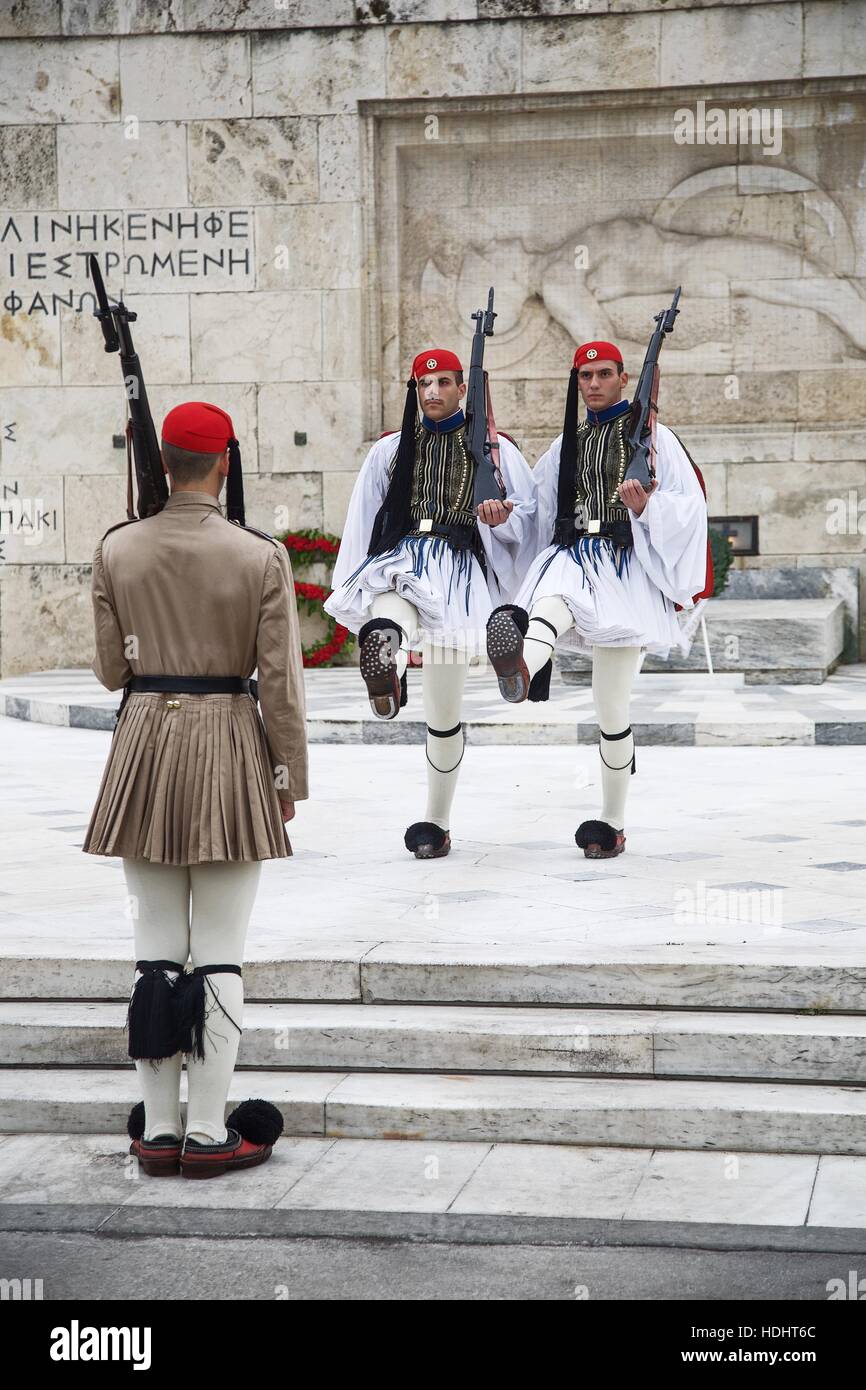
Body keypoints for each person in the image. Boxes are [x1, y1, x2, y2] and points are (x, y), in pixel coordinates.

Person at [82, 401, 308, 1177]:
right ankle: (209, 1133)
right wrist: (288, 777)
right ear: (225, 463)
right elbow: (278, 683)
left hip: (144, 740)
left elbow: (113, 670)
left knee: (155, 954)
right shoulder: (258, 555)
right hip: (227, 740)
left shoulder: (119, 547)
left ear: (161, 464)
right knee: (219, 954)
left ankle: (157, 1131)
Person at [485, 341, 709, 859]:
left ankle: (612, 820)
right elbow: (536, 511)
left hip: (626, 568)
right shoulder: (566, 445)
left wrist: (649, 506)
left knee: (611, 706)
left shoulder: (655, 440)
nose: (593, 384)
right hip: (573, 554)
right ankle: (520, 663)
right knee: (551, 600)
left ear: (624, 379)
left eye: (603, 374)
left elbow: (688, 507)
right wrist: (502, 519)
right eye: (584, 376)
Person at [323, 348, 536, 859]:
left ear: (464, 389)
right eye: (424, 384)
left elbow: (527, 524)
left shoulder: (496, 451)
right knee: (391, 609)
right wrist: (351, 582)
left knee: (444, 712)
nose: (433, 392)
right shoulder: (390, 450)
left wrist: (499, 518)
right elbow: (363, 518)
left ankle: (436, 821)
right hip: (403, 558)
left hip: (460, 575)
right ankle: (386, 657)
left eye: (443, 382)